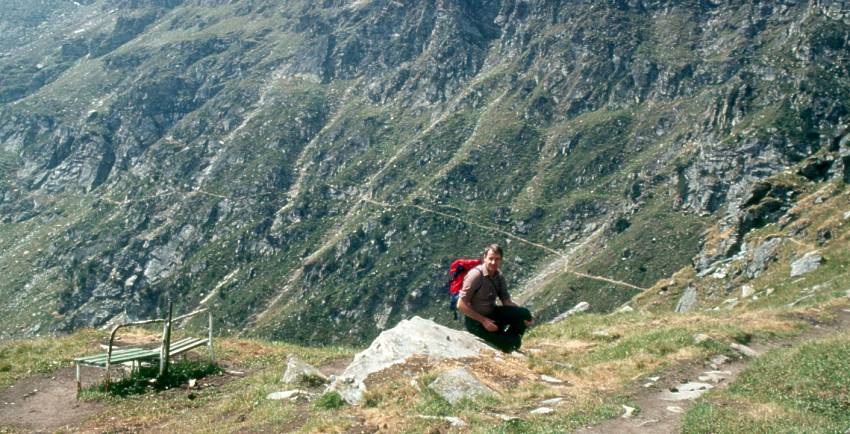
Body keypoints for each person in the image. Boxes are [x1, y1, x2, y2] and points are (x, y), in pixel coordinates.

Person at [456, 244, 534, 352]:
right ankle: (507, 341)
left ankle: (507, 338)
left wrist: (525, 316)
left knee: (524, 314)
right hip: (476, 322)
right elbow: (460, 304)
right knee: (512, 345)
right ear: (484, 258)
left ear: (501, 260)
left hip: (492, 314)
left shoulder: (499, 276)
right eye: (491, 258)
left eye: (497, 259)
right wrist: (484, 321)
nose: (493, 262)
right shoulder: (476, 275)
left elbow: (506, 302)